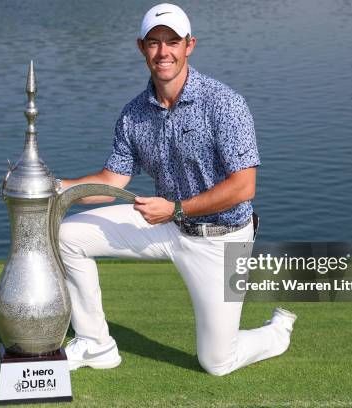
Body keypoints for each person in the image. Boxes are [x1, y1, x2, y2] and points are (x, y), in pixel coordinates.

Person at [58, 3, 296, 376]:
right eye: (154, 42)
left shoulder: (225, 104)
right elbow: (109, 184)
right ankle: (95, 344)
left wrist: (176, 209)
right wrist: (55, 187)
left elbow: (243, 187)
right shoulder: (134, 113)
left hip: (225, 239)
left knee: (218, 362)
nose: (163, 52)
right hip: (166, 225)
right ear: (142, 47)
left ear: (190, 45)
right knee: (68, 235)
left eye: (172, 42)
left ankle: (277, 331)